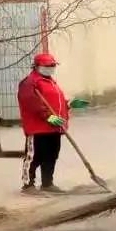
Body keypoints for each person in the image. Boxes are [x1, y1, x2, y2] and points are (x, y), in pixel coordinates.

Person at [17, 53, 89, 194]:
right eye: (48, 66)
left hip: (55, 128)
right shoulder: (30, 82)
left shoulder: (50, 82)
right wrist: (48, 117)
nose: (51, 68)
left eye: (53, 66)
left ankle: (47, 183)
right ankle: (28, 185)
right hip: (38, 128)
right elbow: (31, 103)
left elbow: (56, 103)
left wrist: (70, 104)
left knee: (51, 156)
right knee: (34, 157)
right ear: (37, 66)